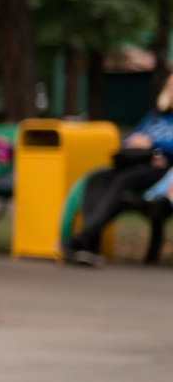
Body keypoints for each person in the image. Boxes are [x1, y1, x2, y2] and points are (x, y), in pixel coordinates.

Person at [64, 73, 173, 266]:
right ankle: (91, 244)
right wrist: (135, 143)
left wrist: (154, 144)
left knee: (124, 181)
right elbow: (130, 139)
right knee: (97, 179)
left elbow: (151, 141)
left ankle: (84, 238)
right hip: (136, 163)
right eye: (170, 86)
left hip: (162, 170)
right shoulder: (154, 116)